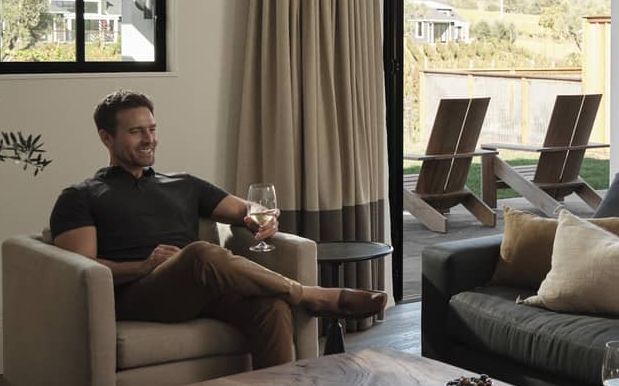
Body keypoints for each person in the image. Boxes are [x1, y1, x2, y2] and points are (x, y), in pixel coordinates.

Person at [49, 90, 387, 368]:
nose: (149, 139)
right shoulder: (82, 195)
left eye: (152, 129)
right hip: (139, 295)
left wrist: (265, 219)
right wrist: (143, 266)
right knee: (200, 252)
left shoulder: (182, 184)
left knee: (271, 306)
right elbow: (81, 269)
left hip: (200, 290)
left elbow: (247, 210)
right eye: (136, 132)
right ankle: (312, 295)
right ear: (106, 137)